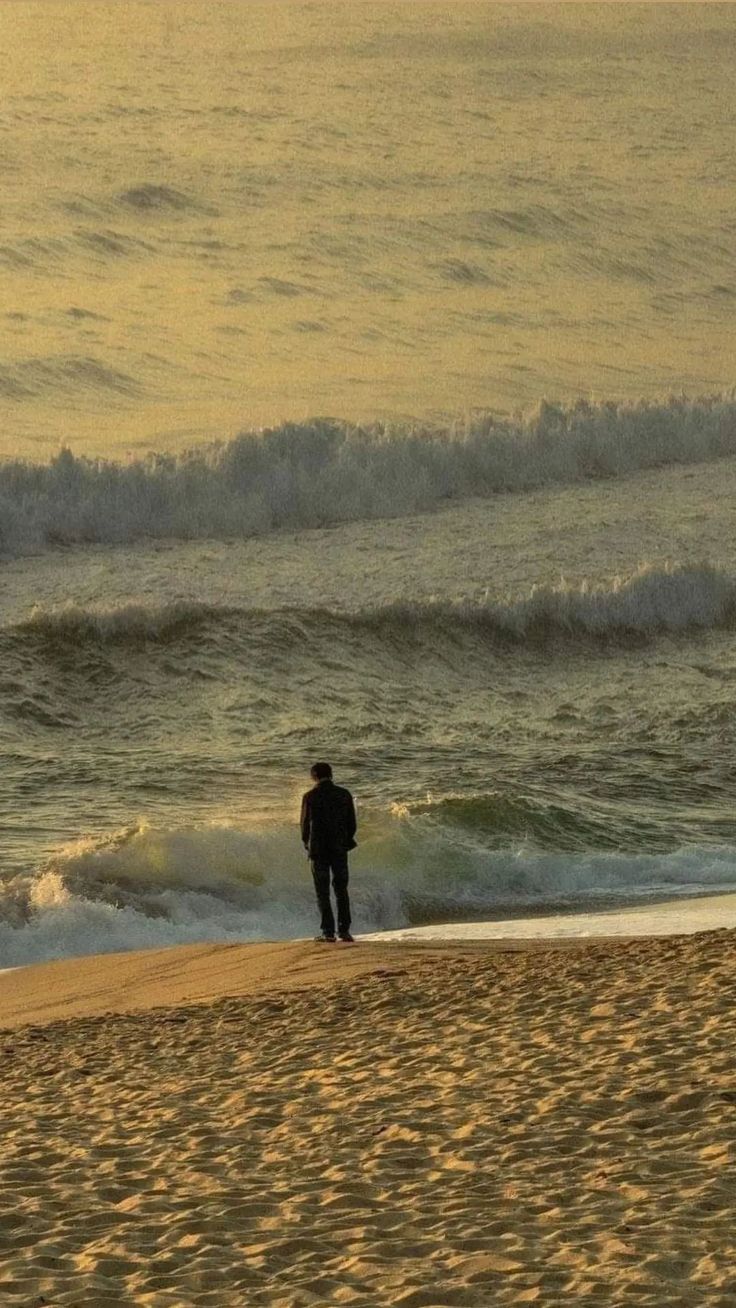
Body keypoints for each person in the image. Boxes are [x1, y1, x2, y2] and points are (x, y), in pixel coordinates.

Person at [300, 761, 357, 943]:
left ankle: (328, 932)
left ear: (314, 776)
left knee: (322, 892)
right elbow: (352, 824)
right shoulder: (344, 794)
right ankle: (345, 931)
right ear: (331, 775)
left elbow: (304, 826)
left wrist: (307, 844)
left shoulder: (310, 796)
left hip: (318, 850)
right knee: (341, 889)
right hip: (339, 848)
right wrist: (344, 840)